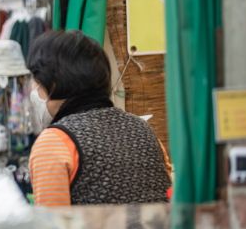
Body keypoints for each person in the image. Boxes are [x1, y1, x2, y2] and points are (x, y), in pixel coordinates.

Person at [27, 30, 171, 206]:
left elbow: (55, 228)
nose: (35, 91)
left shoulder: (54, 143)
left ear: (55, 83)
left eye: (38, 83)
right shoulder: (143, 129)